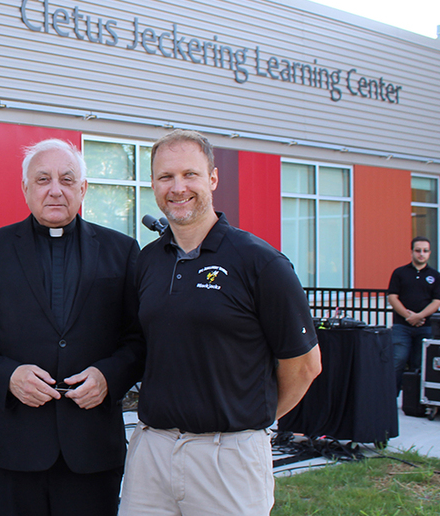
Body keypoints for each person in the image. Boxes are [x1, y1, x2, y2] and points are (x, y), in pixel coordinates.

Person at [119, 129, 321, 516]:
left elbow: (306, 365)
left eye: (189, 174)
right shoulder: (147, 262)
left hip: (228, 459)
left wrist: (249, 422)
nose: (178, 187)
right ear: (153, 184)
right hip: (151, 453)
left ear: (212, 178)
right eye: (166, 177)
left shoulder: (260, 263)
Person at [0, 139, 143, 516]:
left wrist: (108, 377)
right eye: (42, 179)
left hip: (92, 447)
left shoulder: (121, 251)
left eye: (66, 179)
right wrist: (9, 377)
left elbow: (138, 338)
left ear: (83, 188)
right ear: (25, 188)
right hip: (16, 446)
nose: (55, 189)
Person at [388, 236, 440, 395]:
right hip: (401, 326)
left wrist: (419, 316)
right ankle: (390, 396)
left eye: (425, 251)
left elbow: (437, 301)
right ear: (411, 252)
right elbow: (392, 297)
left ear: (430, 253)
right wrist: (409, 317)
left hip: (425, 327)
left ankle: (415, 398)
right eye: (418, 250)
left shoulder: (436, 276)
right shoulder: (400, 273)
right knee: (398, 360)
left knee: (420, 363)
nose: (421, 254)